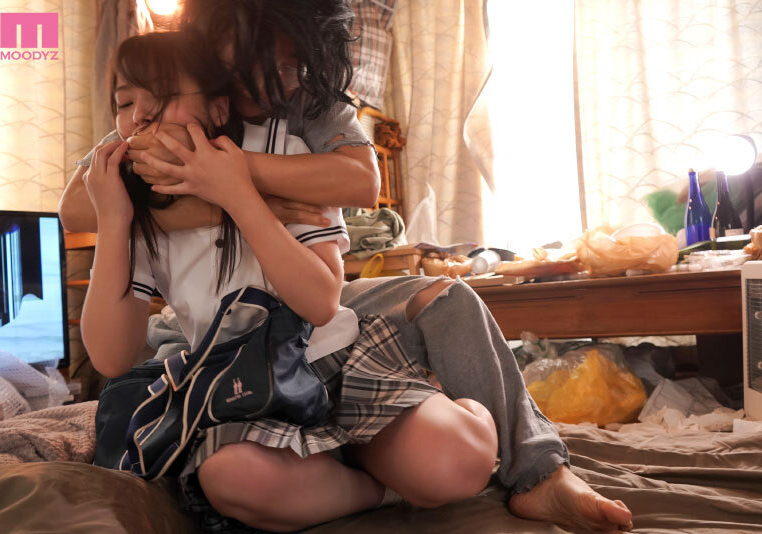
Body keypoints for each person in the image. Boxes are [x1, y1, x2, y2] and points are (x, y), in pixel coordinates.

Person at [61, 1, 633, 531]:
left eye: (288, 66)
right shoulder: (144, 142)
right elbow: (75, 210)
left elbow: (359, 186)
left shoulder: (303, 114)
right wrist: (168, 203)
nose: (273, 82)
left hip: (313, 321)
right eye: (125, 103)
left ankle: (536, 466)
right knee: (230, 471)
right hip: (233, 356)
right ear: (213, 53)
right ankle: (369, 465)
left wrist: (235, 183)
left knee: (448, 301)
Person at [81, 30, 501, 533]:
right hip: (240, 388)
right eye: (125, 103)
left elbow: (320, 303)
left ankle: (424, 420)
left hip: (333, 362)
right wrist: (114, 222)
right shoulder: (139, 200)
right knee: (230, 479)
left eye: (162, 97)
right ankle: (375, 484)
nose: (140, 118)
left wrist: (237, 195)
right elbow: (112, 357)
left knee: (458, 464)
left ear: (218, 107)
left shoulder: (284, 152)